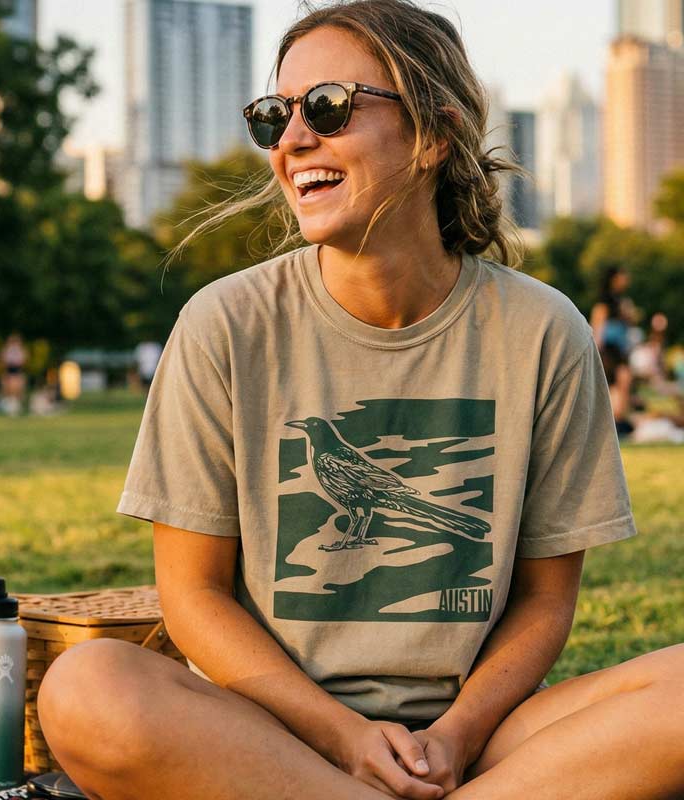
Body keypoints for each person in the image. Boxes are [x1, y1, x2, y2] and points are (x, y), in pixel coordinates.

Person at [37, 2, 684, 799]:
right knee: (86, 688)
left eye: (327, 107)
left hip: (481, 737)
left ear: (434, 136)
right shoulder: (223, 326)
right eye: (273, 116)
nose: (291, 139)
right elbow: (193, 597)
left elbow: (546, 601)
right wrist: (343, 740)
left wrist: (453, 738)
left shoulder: (543, 331)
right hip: (274, 737)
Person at [589, 266, 636, 357]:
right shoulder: (604, 303)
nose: (626, 281)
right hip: (608, 348)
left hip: (616, 347)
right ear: (614, 280)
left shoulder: (621, 301)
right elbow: (598, 327)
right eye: (622, 278)